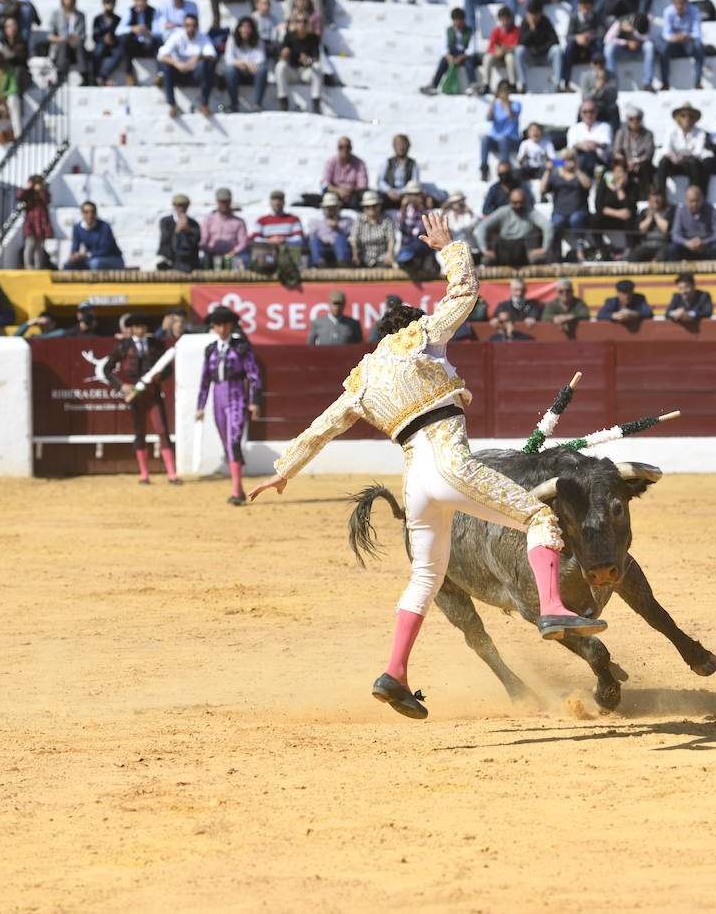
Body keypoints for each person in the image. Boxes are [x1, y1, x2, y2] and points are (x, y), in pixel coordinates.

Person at [247, 212, 603, 721]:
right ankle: (552, 608)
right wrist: (449, 247)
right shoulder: (421, 339)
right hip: (452, 462)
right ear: (412, 327)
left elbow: (321, 427)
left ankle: (395, 672)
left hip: (415, 482)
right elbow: (464, 292)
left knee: (425, 577)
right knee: (540, 520)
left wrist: (285, 469)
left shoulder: (361, 380)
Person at [195, 308, 262, 504]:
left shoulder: (241, 347)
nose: (222, 328)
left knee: (233, 441)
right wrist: (200, 406)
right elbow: (205, 380)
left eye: (225, 324)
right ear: (213, 327)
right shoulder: (210, 349)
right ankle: (238, 487)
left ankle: (236, 491)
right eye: (218, 325)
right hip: (218, 397)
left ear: (231, 325)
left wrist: (254, 401)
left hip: (236, 396)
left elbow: (254, 376)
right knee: (226, 443)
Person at [105, 314, 182, 485]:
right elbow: (107, 369)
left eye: (143, 327)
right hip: (135, 395)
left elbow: (168, 370)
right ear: (131, 328)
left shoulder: (156, 345)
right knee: (140, 432)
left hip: (153, 393)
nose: (140, 330)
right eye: (137, 327)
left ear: (146, 328)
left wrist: (160, 376)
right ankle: (144, 474)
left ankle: (172, 474)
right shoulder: (123, 346)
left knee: (162, 431)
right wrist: (121, 386)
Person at [157, 13, 216, 117]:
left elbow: (212, 55)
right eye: (188, 25)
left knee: (209, 65)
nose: (191, 28)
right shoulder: (176, 36)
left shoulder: (203, 37)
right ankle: (172, 105)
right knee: (167, 66)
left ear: (197, 27)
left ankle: (204, 104)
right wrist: (177, 63)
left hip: (196, 74)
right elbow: (161, 55)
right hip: (178, 73)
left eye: (193, 25)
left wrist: (198, 57)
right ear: (184, 26)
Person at [474, 188, 552, 265]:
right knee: (486, 260)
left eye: (521, 202)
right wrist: (484, 250)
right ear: (510, 201)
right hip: (504, 249)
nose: (518, 205)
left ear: (525, 201)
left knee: (539, 258)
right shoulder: (503, 211)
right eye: (515, 203)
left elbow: (547, 226)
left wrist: (544, 248)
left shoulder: (530, 212)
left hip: (525, 250)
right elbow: (482, 227)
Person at [541, 154, 593, 262]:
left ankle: (580, 251)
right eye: (564, 160)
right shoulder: (555, 176)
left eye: (570, 159)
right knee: (555, 223)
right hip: (560, 212)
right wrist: (548, 171)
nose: (567, 162)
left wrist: (576, 170)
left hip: (579, 211)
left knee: (576, 219)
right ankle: (556, 254)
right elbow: (542, 189)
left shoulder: (580, 174)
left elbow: (588, 185)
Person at [656, 102, 712, 194]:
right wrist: (675, 156)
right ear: (679, 118)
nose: (687, 118)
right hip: (674, 163)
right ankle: (660, 194)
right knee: (663, 162)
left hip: (689, 164)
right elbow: (665, 150)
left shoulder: (700, 132)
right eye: (683, 116)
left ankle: (693, 195)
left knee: (694, 163)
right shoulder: (671, 130)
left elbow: (698, 152)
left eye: (690, 116)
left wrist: (679, 156)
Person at [422, 8, 478, 96]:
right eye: (457, 20)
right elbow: (444, 47)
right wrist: (449, 57)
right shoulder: (448, 31)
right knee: (443, 60)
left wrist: (461, 57)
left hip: (465, 56)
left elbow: (472, 49)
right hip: (452, 55)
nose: (459, 22)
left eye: (461, 20)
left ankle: (472, 85)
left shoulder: (470, 31)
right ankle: (434, 85)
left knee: (469, 62)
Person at [275, 11, 323, 113]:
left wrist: (307, 60)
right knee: (280, 66)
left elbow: (316, 59)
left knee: (318, 67)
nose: (301, 23)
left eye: (304, 21)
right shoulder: (289, 36)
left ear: (308, 23)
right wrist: (284, 54)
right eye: (298, 21)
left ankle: (316, 103)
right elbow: (281, 58)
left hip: (306, 72)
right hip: (293, 71)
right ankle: (283, 102)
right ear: (295, 23)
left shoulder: (313, 38)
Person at [663, 185, 716, 261]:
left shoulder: (711, 210)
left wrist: (704, 242)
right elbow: (675, 234)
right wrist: (687, 243)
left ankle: (714, 272)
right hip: (687, 246)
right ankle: (676, 272)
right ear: (686, 200)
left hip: (706, 245)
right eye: (691, 201)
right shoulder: (681, 211)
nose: (694, 204)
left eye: (697, 200)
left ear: (702, 198)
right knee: (672, 248)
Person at [478, 80, 521, 183]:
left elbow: (512, 117)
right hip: (497, 141)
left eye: (506, 90)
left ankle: (504, 166)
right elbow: (489, 118)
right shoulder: (496, 106)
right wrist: (494, 100)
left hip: (512, 140)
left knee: (504, 138)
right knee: (485, 139)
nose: (503, 92)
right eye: (501, 90)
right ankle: (484, 167)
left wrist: (507, 102)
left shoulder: (516, 104)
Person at [514, 0, 560, 94]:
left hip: (545, 56)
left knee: (557, 50)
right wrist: (531, 30)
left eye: (535, 14)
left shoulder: (545, 21)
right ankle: (522, 84)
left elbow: (555, 41)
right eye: (531, 14)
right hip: (530, 58)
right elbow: (520, 42)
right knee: (519, 50)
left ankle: (558, 85)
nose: (533, 17)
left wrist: (539, 50)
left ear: (540, 14)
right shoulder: (525, 22)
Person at [222, 16, 267, 112]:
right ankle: (234, 105)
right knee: (230, 70)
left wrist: (244, 64)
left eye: (248, 27)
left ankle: (257, 105)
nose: (245, 30)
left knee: (262, 69)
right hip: (237, 73)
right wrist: (245, 63)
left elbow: (261, 60)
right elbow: (228, 60)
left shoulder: (258, 41)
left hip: (253, 73)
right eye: (243, 27)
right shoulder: (232, 40)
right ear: (238, 28)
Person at [560, 0, 605, 92]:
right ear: (579, 7)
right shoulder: (574, 18)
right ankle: (566, 81)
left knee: (599, 45)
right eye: (583, 8)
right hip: (577, 49)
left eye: (588, 8)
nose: (585, 11)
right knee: (569, 47)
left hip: (591, 48)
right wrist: (577, 38)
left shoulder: (597, 17)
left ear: (592, 8)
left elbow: (601, 33)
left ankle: (600, 78)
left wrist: (589, 37)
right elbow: (568, 36)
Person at [64, 201, 126, 269]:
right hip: (91, 259)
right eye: (86, 212)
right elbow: (75, 248)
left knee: (95, 263)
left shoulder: (104, 227)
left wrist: (86, 255)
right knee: (67, 265)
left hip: (112, 259)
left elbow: (105, 251)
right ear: (82, 213)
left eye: (92, 211)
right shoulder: (77, 228)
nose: (90, 215)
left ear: (95, 213)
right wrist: (74, 257)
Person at [659, 0, 705, 90]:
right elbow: (666, 34)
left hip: (689, 43)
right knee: (663, 48)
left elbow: (697, 33)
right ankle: (665, 83)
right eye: (677, 4)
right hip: (674, 43)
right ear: (673, 4)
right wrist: (676, 38)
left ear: (686, 3)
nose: (680, 6)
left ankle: (698, 82)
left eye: (682, 3)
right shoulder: (668, 11)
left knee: (699, 46)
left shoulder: (695, 10)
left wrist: (686, 37)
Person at [201, 188, 251, 267]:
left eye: (226, 202)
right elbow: (203, 240)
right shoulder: (208, 220)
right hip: (211, 254)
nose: (224, 204)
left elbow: (243, 242)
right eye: (222, 202)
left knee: (242, 262)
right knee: (203, 262)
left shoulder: (239, 222)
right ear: (217, 202)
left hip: (231, 255)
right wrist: (210, 250)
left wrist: (233, 252)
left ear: (230, 202)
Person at [116, 0, 160, 81]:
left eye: (142, 0)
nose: (140, 3)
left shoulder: (153, 11)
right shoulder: (130, 11)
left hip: (149, 44)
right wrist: (132, 28)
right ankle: (130, 75)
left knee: (158, 40)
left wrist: (149, 33)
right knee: (125, 39)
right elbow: (118, 31)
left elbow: (158, 31)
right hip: (135, 46)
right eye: (138, 0)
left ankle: (160, 74)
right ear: (135, 1)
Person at [604, 14, 653, 89]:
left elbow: (650, 37)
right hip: (623, 51)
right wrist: (626, 42)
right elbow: (607, 39)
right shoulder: (621, 22)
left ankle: (648, 82)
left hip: (640, 50)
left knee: (649, 46)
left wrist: (633, 34)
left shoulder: (649, 19)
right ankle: (612, 83)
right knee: (609, 49)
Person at [612, 105, 655, 190]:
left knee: (645, 166)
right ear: (628, 120)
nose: (635, 121)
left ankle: (645, 195)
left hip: (641, 164)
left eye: (637, 119)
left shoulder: (648, 134)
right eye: (632, 119)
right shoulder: (621, 133)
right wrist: (626, 162)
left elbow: (649, 153)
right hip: (624, 163)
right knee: (618, 167)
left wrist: (635, 162)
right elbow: (616, 151)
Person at [351, 190, 398, 267]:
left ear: (379, 206)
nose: (371, 208)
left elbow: (391, 239)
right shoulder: (359, 220)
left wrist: (390, 254)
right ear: (363, 207)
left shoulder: (387, 219)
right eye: (367, 206)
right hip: (363, 258)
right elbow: (353, 239)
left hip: (382, 258)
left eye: (374, 205)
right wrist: (355, 255)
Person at [16, 175, 53, 269]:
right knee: (30, 245)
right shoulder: (29, 193)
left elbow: (47, 200)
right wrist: (26, 188)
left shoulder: (44, 193)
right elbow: (19, 196)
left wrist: (40, 190)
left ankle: (38, 267)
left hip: (42, 224)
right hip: (31, 224)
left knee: (39, 247)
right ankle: (28, 266)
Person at [158, 193, 201, 271]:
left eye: (183, 206)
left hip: (188, 261)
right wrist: (177, 230)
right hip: (170, 259)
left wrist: (189, 229)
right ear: (174, 206)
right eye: (178, 205)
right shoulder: (166, 221)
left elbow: (197, 241)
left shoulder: (193, 224)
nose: (181, 208)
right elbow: (165, 239)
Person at [376, 135, 421, 210]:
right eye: (398, 144)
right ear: (394, 147)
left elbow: (415, 181)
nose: (401, 147)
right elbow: (380, 181)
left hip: (406, 194)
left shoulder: (413, 163)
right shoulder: (388, 162)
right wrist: (389, 191)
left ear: (408, 146)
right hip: (389, 194)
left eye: (403, 144)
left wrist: (402, 192)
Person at [307, 192, 353, 266]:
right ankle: (319, 264)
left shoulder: (347, 221)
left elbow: (353, 238)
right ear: (324, 209)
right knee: (316, 241)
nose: (331, 210)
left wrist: (337, 228)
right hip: (323, 250)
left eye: (333, 207)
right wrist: (322, 240)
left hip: (342, 250)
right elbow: (310, 240)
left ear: (338, 207)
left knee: (341, 239)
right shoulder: (317, 224)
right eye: (328, 207)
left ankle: (342, 263)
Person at [481, 6, 518, 97]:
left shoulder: (516, 30)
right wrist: (496, 51)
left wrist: (503, 50)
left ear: (510, 19)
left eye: (507, 19)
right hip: (498, 58)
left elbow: (516, 45)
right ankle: (486, 85)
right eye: (502, 20)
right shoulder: (496, 31)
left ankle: (513, 85)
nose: (505, 22)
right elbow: (490, 48)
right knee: (487, 57)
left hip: (510, 59)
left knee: (510, 58)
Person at [321, 137, 368, 208]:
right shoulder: (331, 162)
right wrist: (338, 190)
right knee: (329, 198)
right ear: (338, 148)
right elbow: (325, 184)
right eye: (341, 147)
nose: (345, 149)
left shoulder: (359, 163)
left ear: (351, 148)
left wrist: (349, 191)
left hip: (353, 195)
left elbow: (363, 185)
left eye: (347, 147)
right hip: (335, 194)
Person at [91, 0, 123, 84]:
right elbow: (95, 36)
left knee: (119, 53)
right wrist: (103, 40)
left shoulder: (118, 19)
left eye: (112, 3)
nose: (109, 5)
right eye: (107, 3)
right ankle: (94, 76)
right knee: (99, 50)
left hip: (114, 45)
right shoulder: (98, 19)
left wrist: (112, 41)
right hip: (101, 44)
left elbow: (120, 35)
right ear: (104, 4)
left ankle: (102, 75)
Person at [515, 121, 554, 185]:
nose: (535, 132)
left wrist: (546, 157)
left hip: (542, 168)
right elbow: (519, 161)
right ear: (529, 133)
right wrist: (524, 155)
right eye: (532, 130)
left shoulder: (547, 143)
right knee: (517, 173)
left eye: (537, 130)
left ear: (541, 132)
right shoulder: (524, 144)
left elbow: (553, 161)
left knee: (551, 172)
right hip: (528, 169)